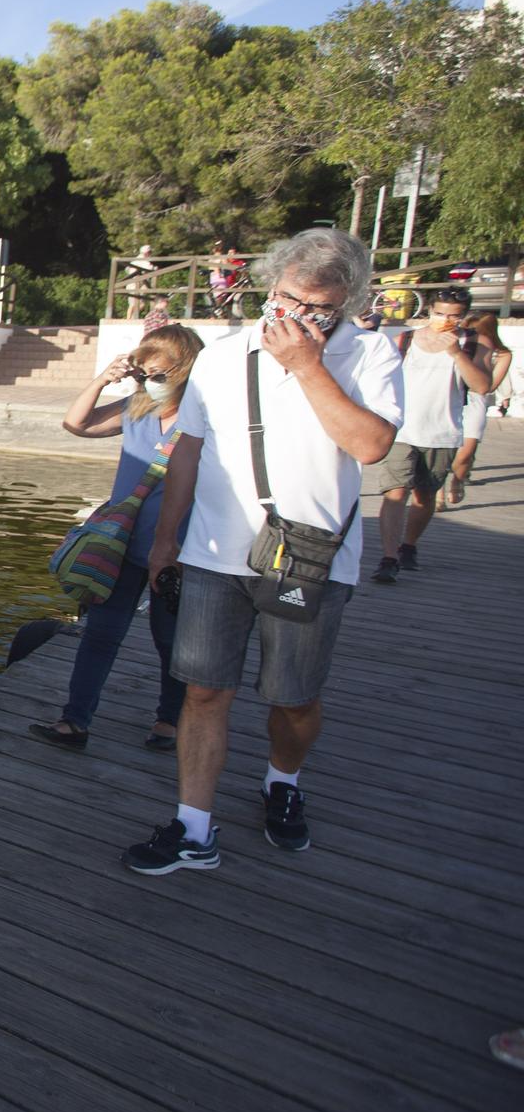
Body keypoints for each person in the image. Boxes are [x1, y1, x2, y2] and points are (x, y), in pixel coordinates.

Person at [128, 229, 402, 875]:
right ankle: (194, 825)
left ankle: (284, 778)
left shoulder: (370, 355)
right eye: (287, 299)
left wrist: (309, 365)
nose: (297, 317)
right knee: (202, 690)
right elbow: (188, 449)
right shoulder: (224, 355)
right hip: (215, 553)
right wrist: (166, 540)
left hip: (309, 557)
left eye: (318, 308)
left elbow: (370, 446)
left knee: (294, 697)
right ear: (269, 287)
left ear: (346, 303)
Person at [32, 325, 206, 754]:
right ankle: (75, 720)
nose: (151, 384)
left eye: (160, 375)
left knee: (170, 641)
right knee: (100, 635)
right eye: (144, 374)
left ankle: (169, 720)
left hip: (179, 552)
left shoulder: (206, 419)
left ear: (185, 371)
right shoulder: (138, 408)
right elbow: (76, 423)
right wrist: (103, 379)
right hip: (123, 546)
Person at [372, 286, 492, 583]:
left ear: (464, 316)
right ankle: (388, 558)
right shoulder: (406, 339)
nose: (445, 320)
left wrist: (454, 352)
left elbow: (481, 386)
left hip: (443, 431)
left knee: (424, 496)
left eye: (454, 315)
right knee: (395, 492)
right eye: (439, 313)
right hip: (401, 429)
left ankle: (408, 545)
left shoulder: (474, 344)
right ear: (429, 312)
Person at [449, 314, 509, 500]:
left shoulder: (502, 354)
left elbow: (488, 386)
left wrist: (475, 369)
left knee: (466, 451)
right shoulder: (456, 344)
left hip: (475, 400)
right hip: (451, 396)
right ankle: (438, 492)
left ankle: (458, 479)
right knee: (442, 449)